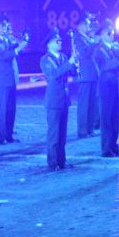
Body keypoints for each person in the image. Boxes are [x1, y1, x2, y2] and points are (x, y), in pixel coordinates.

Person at [0, 16, 29, 144]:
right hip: (3, 79)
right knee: (2, 109)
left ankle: (9, 134)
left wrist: (23, 38)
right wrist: (17, 48)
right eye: (3, 25)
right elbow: (4, 56)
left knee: (11, 108)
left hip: (12, 78)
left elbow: (18, 47)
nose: (6, 28)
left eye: (7, 25)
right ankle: (1, 136)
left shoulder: (7, 39)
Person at [41, 31, 75, 170]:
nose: (59, 42)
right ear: (49, 44)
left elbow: (71, 72)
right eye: (56, 41)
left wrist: (75, 64)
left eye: (60, 40)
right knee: (54, 133)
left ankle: (62, 160)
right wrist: (69, 63)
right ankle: (53, 162)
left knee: (62, 134)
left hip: (64, 99)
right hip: (54, 100)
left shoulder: (63, 57)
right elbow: (54, 74)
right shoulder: (45, 60)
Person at [97, 20, 119, 158]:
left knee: (115, 118)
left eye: (112, 33)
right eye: (108, 33)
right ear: (101, 35)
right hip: (106, 86)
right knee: (107, 118)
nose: (111, 35)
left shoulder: (114, 47)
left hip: (116, 85)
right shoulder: (99, 49)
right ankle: (106, 148)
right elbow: (105, 66)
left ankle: (114, 146)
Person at [75, 13, 103, 138]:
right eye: (86, 23)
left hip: (91, 74)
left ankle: (90, 129)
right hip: (84, 75)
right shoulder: (77, 38)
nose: (89, 26)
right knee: (84, 104)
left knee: (92, 103)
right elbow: (85, 54)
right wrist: (94, 43)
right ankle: (82, 130)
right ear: (80, 26)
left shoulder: (86, 38)